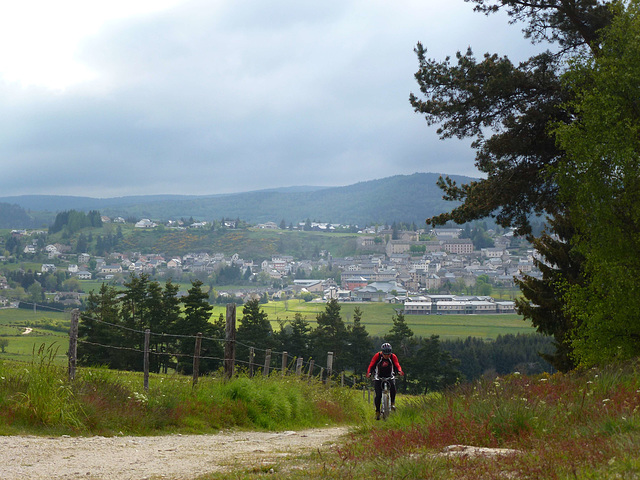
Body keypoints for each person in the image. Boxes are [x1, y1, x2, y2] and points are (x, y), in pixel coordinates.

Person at [366, 342, 404, 420]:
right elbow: (371, 365)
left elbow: (397, 365)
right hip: (378, 377)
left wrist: (399, 371)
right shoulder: (377, 356)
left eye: (388, 354)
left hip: (390, 376)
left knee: (393, 387)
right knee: (378, 395)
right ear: (382, 352)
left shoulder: (393, 357)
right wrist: (369, 373)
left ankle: (392, 403)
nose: (386, 356)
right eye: (385, 354)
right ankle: (377, 411)